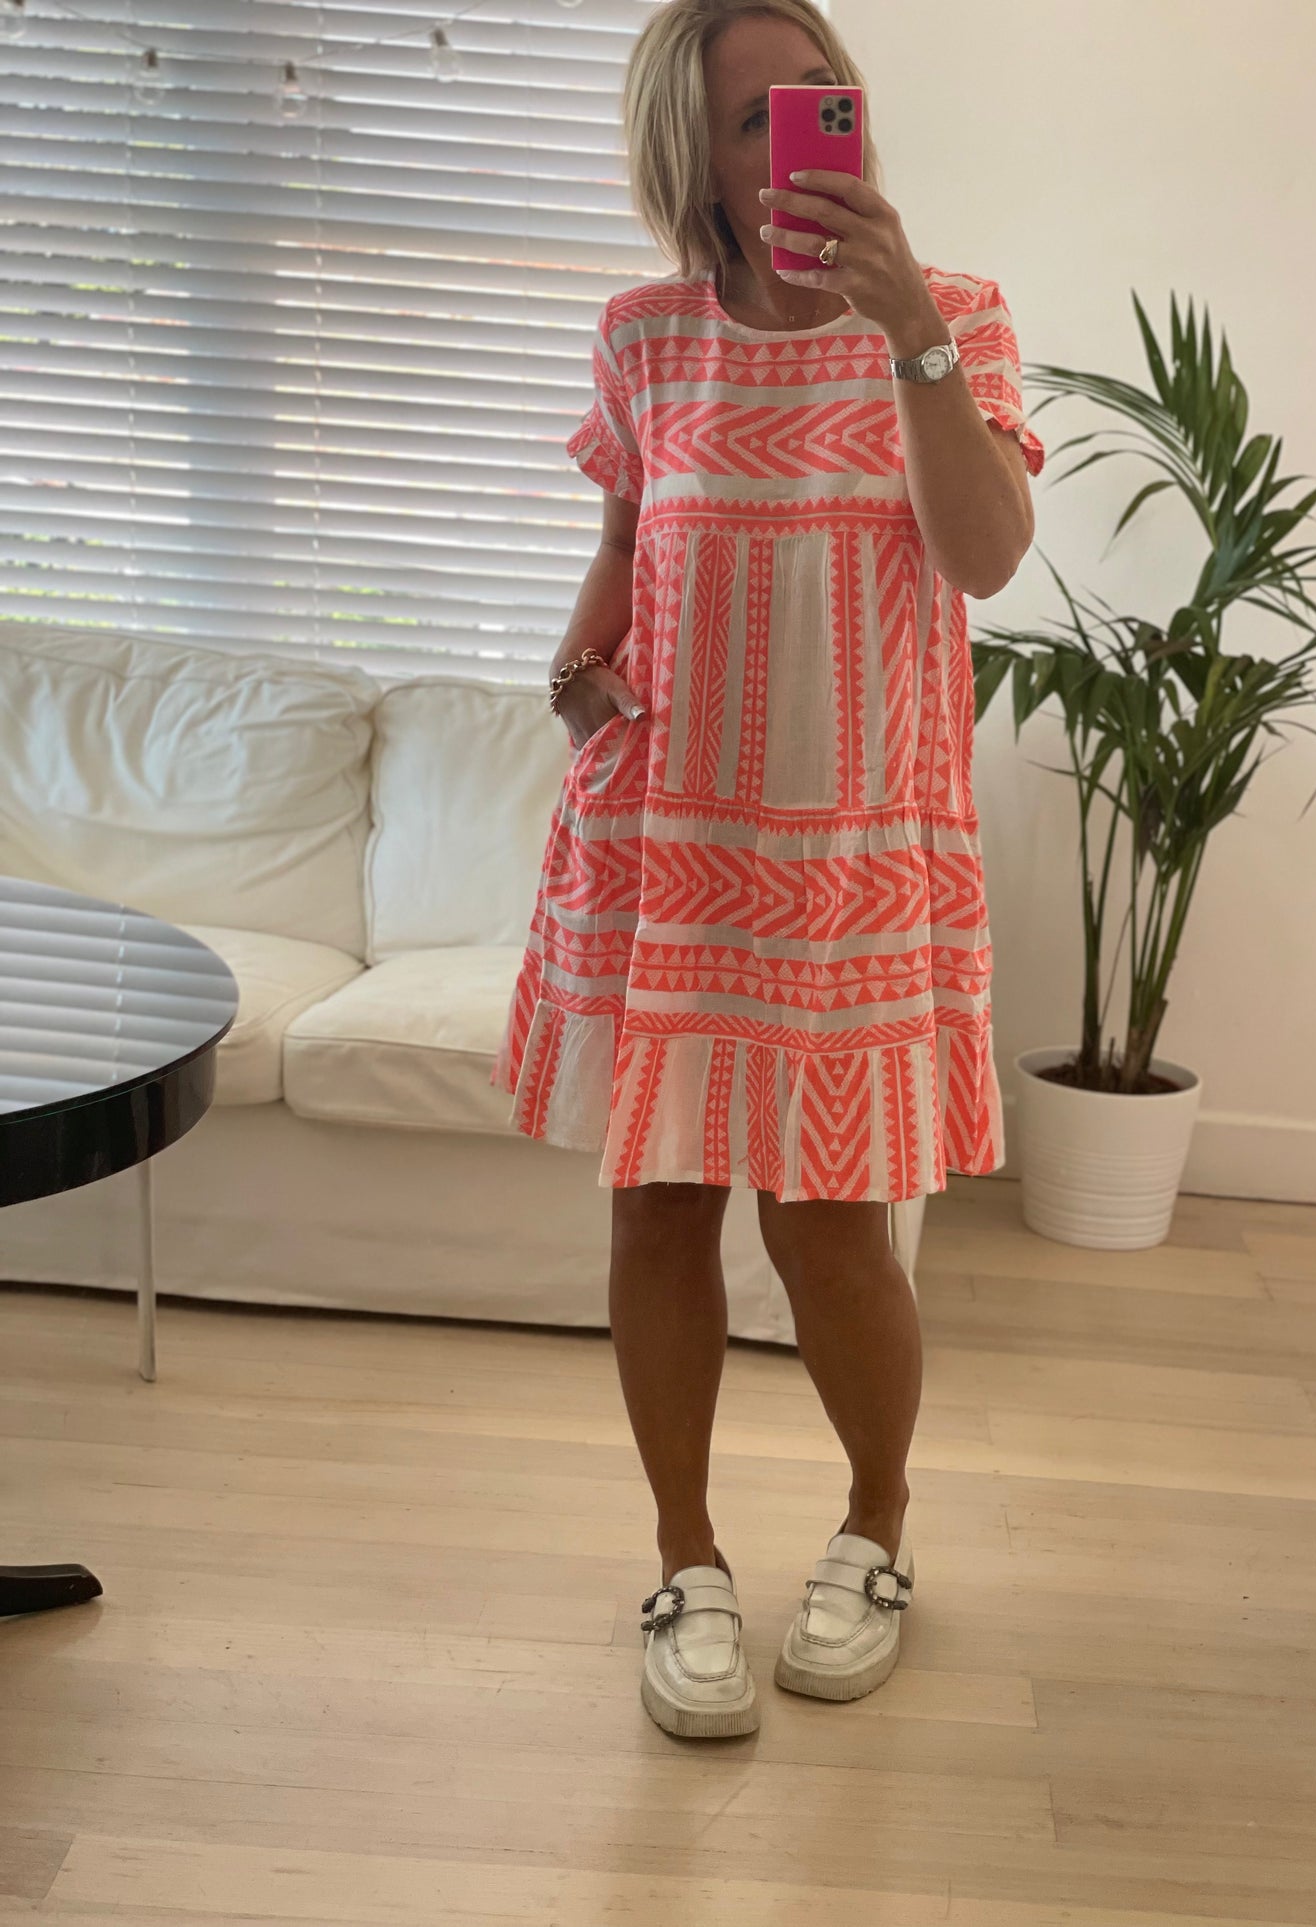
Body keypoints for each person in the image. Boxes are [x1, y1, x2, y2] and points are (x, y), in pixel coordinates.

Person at [490, 0, 1044, 1739]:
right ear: (700, 168)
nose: (804, 133)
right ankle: (687, 1557)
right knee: (657, 1207)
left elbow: (984, 558)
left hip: (854, 851)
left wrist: (908, 335)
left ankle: (877, 1527)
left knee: (829, 1227)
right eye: (755, 120)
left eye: (820, 96)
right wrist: (577, 667)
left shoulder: (956, 313)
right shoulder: (645, 338)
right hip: (664, 840)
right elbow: (621, 550)